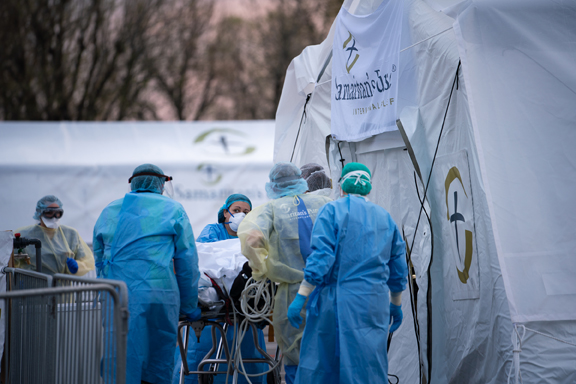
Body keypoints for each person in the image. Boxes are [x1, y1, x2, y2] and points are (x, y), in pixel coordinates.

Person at [286, 162, 408, 384]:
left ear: (341, 185)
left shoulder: (332, 211)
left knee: (322, 365)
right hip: (373, 304)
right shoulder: (385, 217)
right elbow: (398, 267)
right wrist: (396, 304)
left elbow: (321, 259)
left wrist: (302, 296)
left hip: (337, 302)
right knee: (368, 365)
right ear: (369, 187)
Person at [93, 164, 201, 384]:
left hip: (116, 295)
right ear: (161, 183)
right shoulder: (173, 209)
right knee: (158, 356)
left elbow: (99, 259)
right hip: (158, 294)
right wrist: (189, 305)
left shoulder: (110, 210)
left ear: (133, 182)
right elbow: (186, 262)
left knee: (120, 354)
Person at [237, 162, 332, 384]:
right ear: (300, 180)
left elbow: (252, 239)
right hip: (330, 291)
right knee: (329, 352)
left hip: (293, 294)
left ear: (273, 186)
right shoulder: (326, 204)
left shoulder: (270, 210)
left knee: (295, 354)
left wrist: (260, 271)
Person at [173, 193, 267, 384]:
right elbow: (204, 258)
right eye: (236, 210)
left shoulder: (251, 235)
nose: (241, 214)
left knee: (247, 353)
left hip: (244, 300)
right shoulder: (212, 231)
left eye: (246, 212)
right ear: (226, 213)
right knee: (200, 352)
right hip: (217, 302)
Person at [15, 195, 95, 276]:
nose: (54, 217)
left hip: (62, 286)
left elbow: (87, 260)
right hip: (35, 286)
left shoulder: (71, 234)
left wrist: (78, 266)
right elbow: (12, 262)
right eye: (49, 213)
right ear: (40, 213)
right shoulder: (25, 234)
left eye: (58, 213)